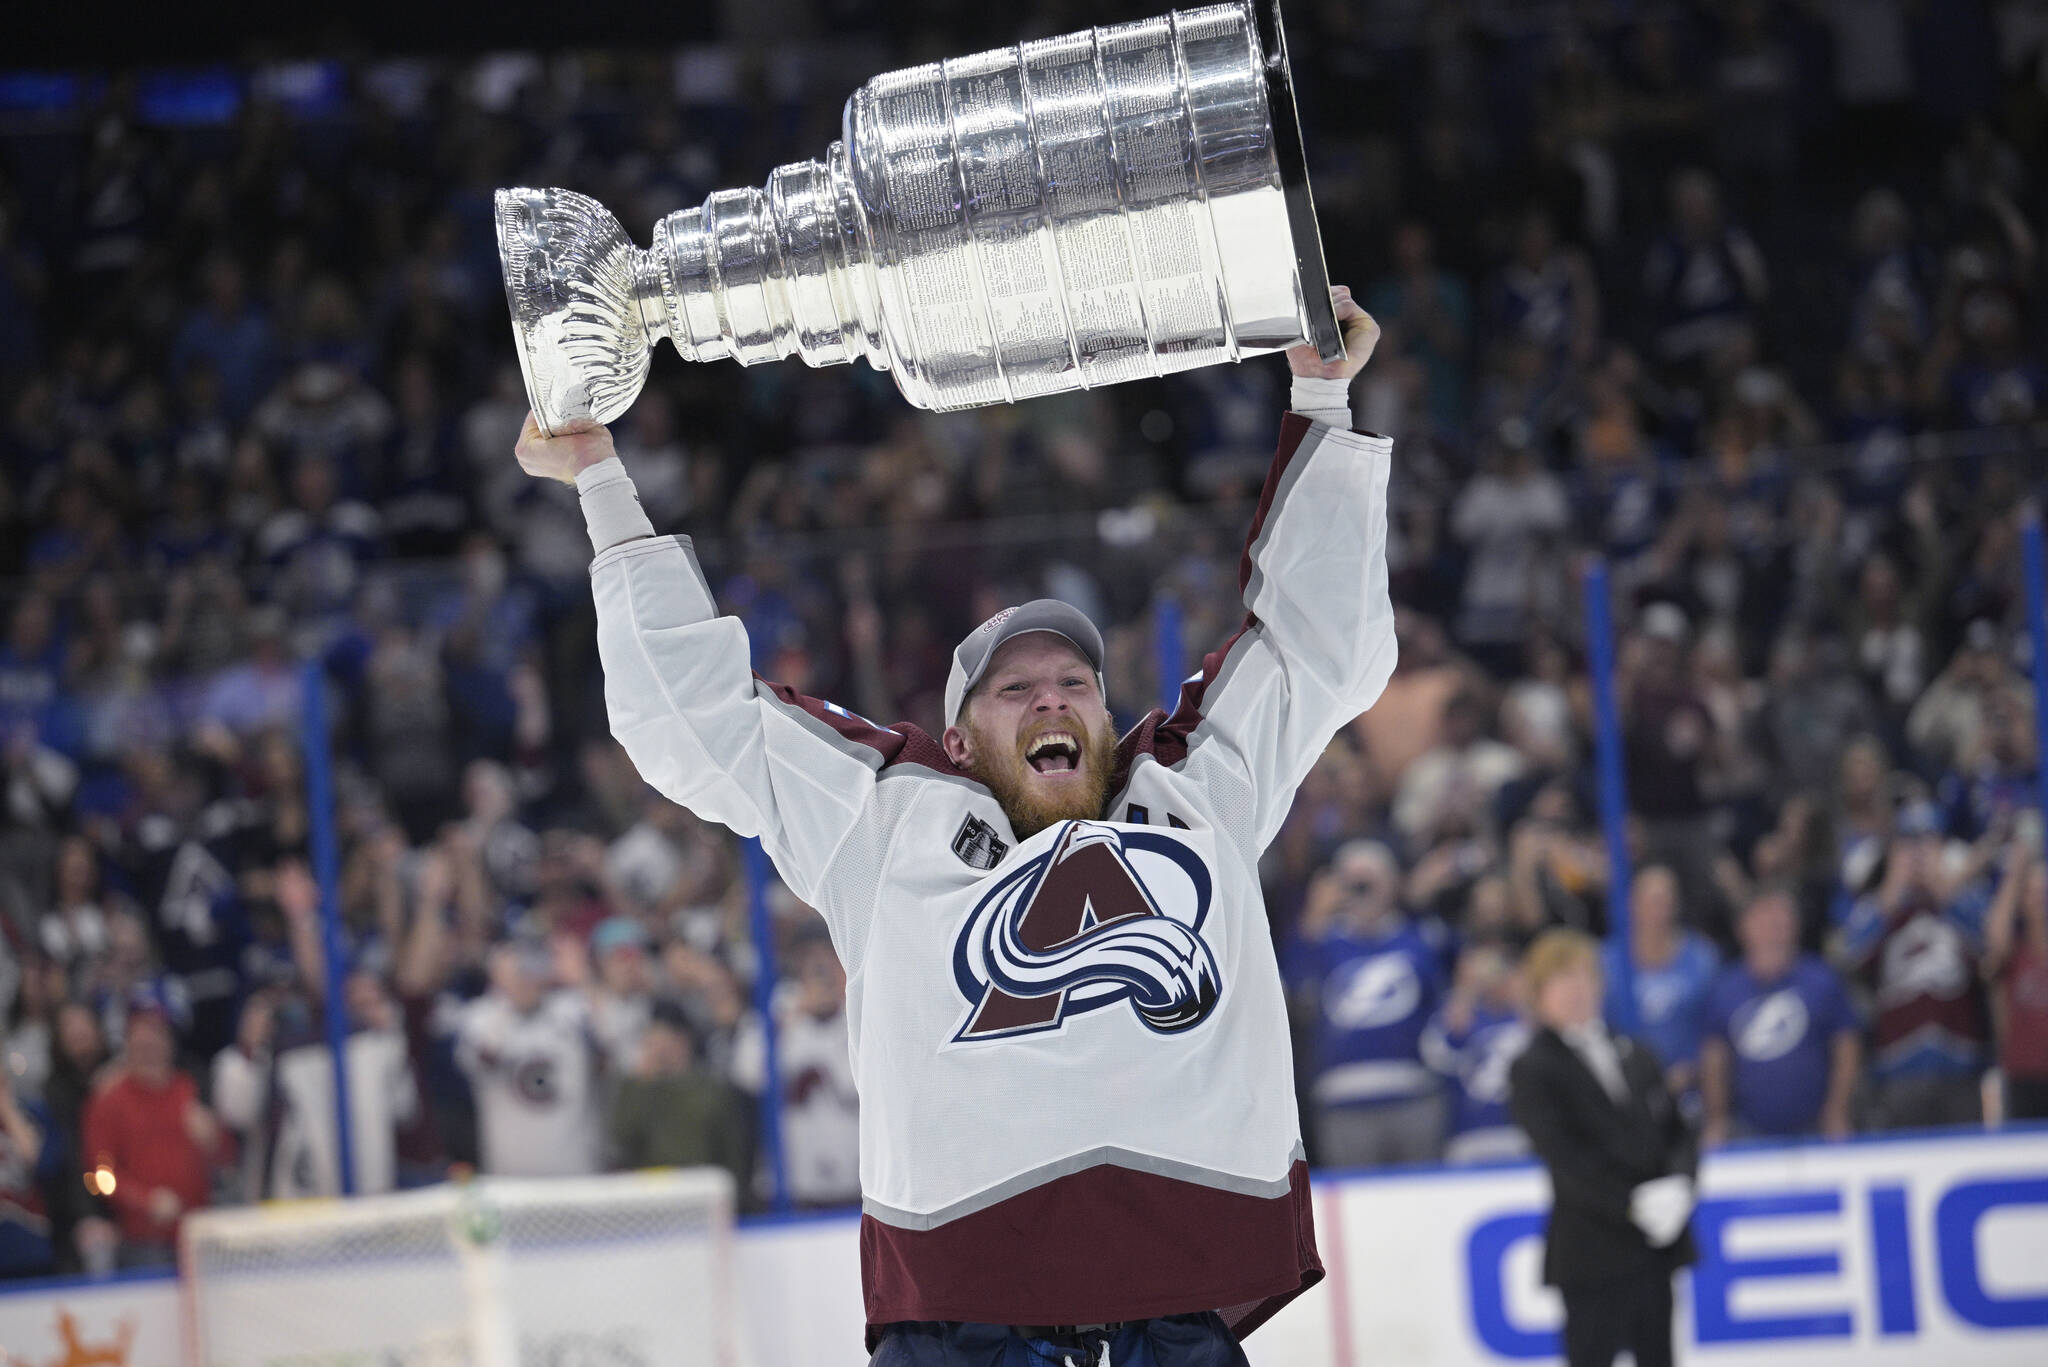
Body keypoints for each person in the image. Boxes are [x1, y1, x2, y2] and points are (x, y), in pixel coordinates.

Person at [512, 291, 1389, 1362]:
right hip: (960, 1318)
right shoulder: (886, 816)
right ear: (960, 740)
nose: (1053, 697)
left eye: (1074, 680)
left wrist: (1318, 391)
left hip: (1176, 1299)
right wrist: (600, 477)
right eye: (1013, 689)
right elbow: (697, 722)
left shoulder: (1193, 787)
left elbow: (1315, 644)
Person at [1509, 929, 1697, 1367]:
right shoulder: (1533, 1068)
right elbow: (1566, 1158)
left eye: (1584, 976)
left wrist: (1682, 1186)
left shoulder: (1636, 1053)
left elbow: (1679, 1131)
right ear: (1540, 995)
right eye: (1562, 979)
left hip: (1654, 1249)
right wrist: (1633, 1204)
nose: (1577, 989)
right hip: (1592, 1253)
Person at [1285, 840, 1448, 1167]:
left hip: (1413, 1092)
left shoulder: (1421, 940)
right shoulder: (1321, 942)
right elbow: (1291, 993)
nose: (1361, 890)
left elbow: (1445, 1001)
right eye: (1352, 882)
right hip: (1342, 1100)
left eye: (1369, 880)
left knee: (1423, 1198)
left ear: (1392, 884)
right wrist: (1313, 918)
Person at [1836, 802, 1992, 1130]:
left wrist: (1945, 890)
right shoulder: (1877, 907)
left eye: (1928, 842)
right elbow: (1852, 957)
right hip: (1897, 1071)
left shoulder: (1968, 901)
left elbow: (1989, 953)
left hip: (1959, 1067)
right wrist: (1892, 890)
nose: (1919, 854)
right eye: (1909, 844)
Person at [1700, 889, 1861, 1144]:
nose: (1774, 931)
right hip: (1747, 1129)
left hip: (1816, 1126)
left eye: (1782, 922)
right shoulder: (1725, 989)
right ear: (1744, 929)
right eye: (1765, 922)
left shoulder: (1821, 981)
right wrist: (1717, 1119)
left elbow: (1846, 1048)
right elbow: (1715, 1059)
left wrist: (1837, 1110)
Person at [79, 1004, 227, 1266]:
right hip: (143, 1240)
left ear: (169, 1042)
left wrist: (213, 1139)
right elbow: (100, 1176)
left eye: (156, 1036)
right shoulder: (109, 1102)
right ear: (128, 1045)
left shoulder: (189, 1088)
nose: (149, 1045)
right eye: (140, 1039)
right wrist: (146, 1201)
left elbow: (226, 1157)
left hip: (197, 1233)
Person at [454, 942, 604, 1178]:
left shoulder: (573, 1009)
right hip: (511, 1179)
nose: (524, 979)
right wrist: (505, 996)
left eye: (529, 968)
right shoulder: (480, 1017)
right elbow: (484, 1057)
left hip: (576, 1172)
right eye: (516, 971)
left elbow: (612, 1041)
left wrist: (581, 978)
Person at [607, 999, 749, 1189]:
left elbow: (732, 1149)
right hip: (652, 1192)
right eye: (653, 1039)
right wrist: (642, 1082)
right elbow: (622, 1137)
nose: (659, 1047)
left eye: (666, 1038)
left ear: (683, 1040)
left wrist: (734, 1193)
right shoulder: (639, 1086)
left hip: (701, 1189)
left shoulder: (710, 1088)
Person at [1602, 865, 1719, 1095]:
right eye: (1650, 900)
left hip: (1690, 1091)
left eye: (1665, 900)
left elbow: (1715, 1030)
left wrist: (1693, 1070)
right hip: (1626, 1093)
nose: (1658, 910)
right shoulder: (1606, 961)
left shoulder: (1702, 959)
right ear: (1631, 903)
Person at [1420, 939, 1530, 1163]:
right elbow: (1437, 1059)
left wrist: (1524, 997)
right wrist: (1465, 992)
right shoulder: (1460, 1014)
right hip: (1469, 1135)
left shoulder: (1526, 1019)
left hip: (1521, 1133)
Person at [1982, 829, 2048, 1121]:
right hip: (2023, 1075)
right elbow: (1994, 935)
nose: (2039, 901)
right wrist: (2017, 871)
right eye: (2031, 894)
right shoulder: (2014, 953)